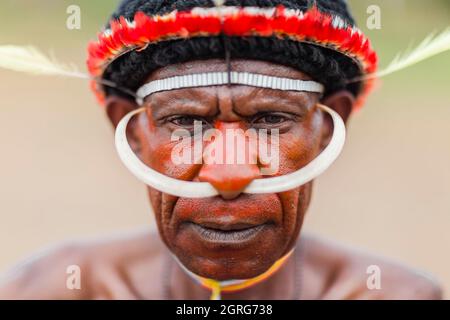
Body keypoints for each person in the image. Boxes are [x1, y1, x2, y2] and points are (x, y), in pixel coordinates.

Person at [0, 0, 442, 300]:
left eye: (270, 119)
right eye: (186, 122)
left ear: (327, 128)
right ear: (131, 132)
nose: (228, 174)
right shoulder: (50, 290)